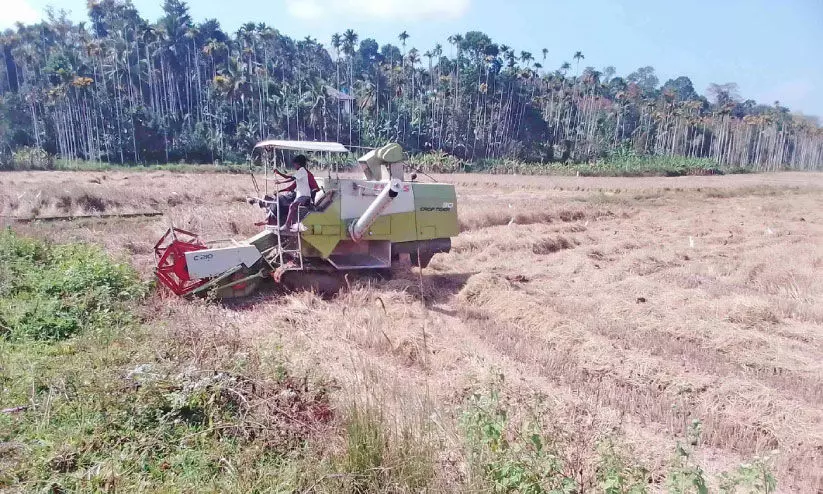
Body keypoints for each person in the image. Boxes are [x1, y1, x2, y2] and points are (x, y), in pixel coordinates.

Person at [275, 154, 316, 232]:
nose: (294, 166)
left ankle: (287, 226)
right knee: (291, 207)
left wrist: (280, 182)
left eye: (295, 164)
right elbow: (289, 177)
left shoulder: (302, 171)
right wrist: (279, 173)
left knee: (292, 206)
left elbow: (291, 179)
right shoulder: (300, 172)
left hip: (304, 196)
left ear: (298, 163)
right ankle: (291, 224)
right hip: (300, 196)